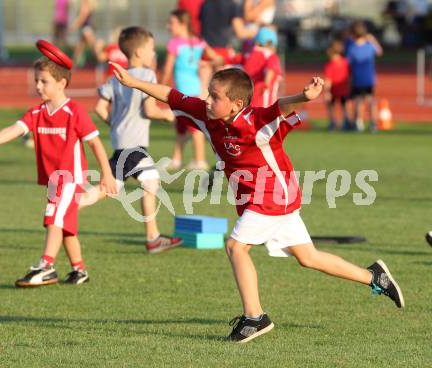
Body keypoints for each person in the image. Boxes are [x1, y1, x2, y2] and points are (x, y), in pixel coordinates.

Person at [109, 62, 405, 343]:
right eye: (209, 93)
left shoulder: (255, 122)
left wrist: (304, 96)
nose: (208, 100)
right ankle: (375, 277)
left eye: (215, 96)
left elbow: (280, 107)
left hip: (274, 195)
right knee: (308, 257)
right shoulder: (205, 114)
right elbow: (170, 94)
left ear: (236, 104)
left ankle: (255, 318)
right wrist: (132, 82)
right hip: (259, 199)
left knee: (236, 247)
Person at [0, 48, 118, 287]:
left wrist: (107, 174)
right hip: (52, 180)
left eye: (44, 81)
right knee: (65, 224)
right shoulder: (38, 112)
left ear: (61, 83)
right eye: (36, 81)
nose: (38, 86)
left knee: (53, 218)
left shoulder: (75, 112)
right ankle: (79, 270)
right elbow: (14, 129)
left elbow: (95, 143)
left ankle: (46, 266)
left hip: (70, 178)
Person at [82, 26, 183, 253]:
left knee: (118, 187)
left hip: (122, 143)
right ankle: (153, 238)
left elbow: (99, 107)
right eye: (150, 49)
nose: (153, 53)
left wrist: (116, 125)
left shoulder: (117, 77)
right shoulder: (147, 76)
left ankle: (69, 207)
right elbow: (150, 110)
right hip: (134, 145)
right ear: (138, 52)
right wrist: (168, 114)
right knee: (146, 183)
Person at [160, 9, 222, 171]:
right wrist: (207, 65)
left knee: (194, 127)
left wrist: (159, 87)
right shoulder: (198, 42)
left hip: (186, 90)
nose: (169, 26)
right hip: (195, 89)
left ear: (182, 24)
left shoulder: (174, 44)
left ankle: (200, 160)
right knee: (180, 125)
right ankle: (177, 159)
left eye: (172, 23)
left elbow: (167, 70)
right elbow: (217, 58)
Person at [346, 20, 383, 132]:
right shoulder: (369, 46)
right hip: (369, 78)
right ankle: (373, 124)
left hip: (357, 78)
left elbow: (348, 62)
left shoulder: (352, 48)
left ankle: (359, 123)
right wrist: (372, 40)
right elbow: (379, 52)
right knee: (371, 100)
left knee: (358, 101)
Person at [243, 27, 282, 108]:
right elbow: (270, 70)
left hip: (249, 102)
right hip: (266, 104)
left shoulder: (249, 55)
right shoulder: (271, 56)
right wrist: (266, 84)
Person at [323, 39, 350, 130]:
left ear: (331, 51)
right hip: (345, 90)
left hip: (334, 91)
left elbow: (328, 81)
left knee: (330, 106)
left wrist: (326, 92)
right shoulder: (345, 62)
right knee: (345, 106)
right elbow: (350, 76)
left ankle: (333, 122)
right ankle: (346, 121)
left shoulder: (330, 65)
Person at [69, 0, 97, 67]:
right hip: (85, 28)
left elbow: (82, 17)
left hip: (87, 29)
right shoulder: (87, 4)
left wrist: (74, 26)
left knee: (93, 46)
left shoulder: (85, 5)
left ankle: (102, 61)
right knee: (79, 48)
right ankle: (73, 65)